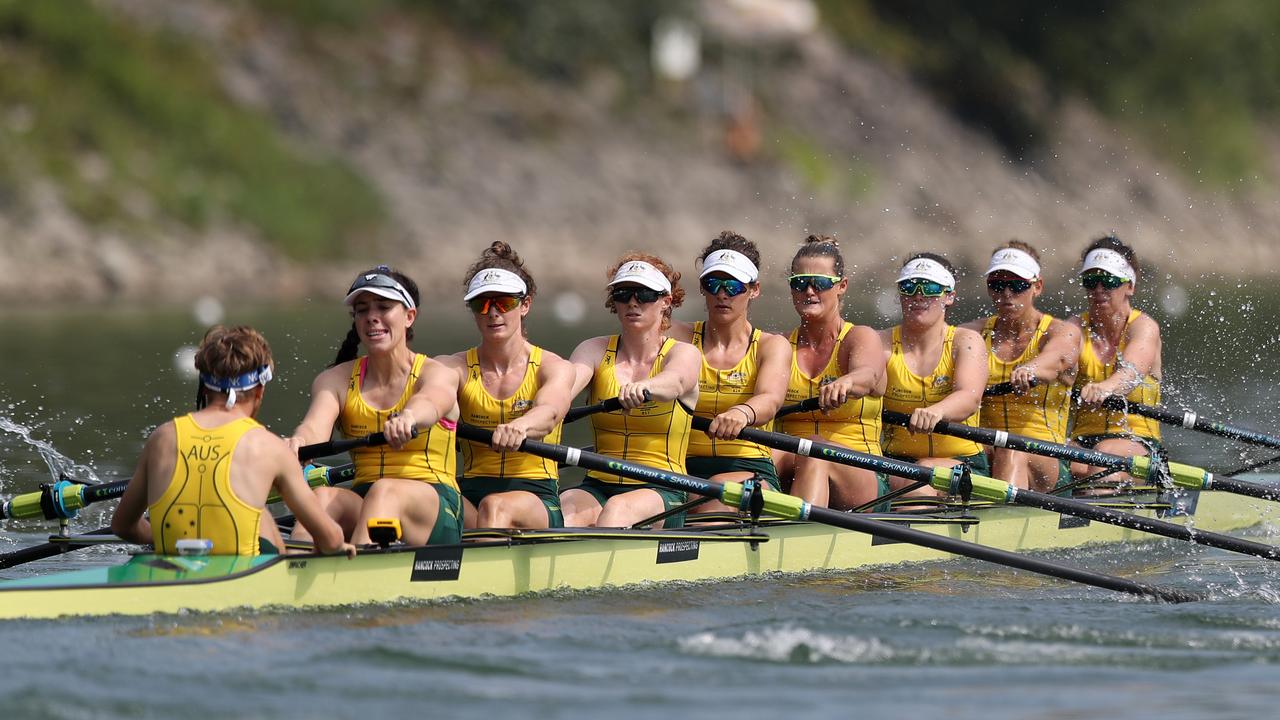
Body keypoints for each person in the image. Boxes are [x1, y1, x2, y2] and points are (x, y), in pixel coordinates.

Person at [112, 325, 354, 557]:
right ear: (259, 390)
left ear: (204, 389)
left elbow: (123, 526)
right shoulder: (269, 447)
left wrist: (163, 536)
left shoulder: (162, 437)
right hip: (244, 577)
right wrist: (337, 546)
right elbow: (331, 539)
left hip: (172, 565)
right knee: (260, 516)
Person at [288, 266, 463, 546]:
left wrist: (408, 418)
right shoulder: (335, 379)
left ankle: (354, 577)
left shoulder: (438, 373)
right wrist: (299, 442)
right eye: (362, 310)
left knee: (385, 492)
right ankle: (293, 570)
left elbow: (430, 402)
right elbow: (314, 428)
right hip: (366, 499)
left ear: (409, 316)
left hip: (433, 505)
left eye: (383, 307)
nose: (372, 318)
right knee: (319, 498)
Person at [561, 254, 700, 528]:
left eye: (644, 294)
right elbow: (564, 387)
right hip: (598, 484)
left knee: (617, 510)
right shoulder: (594, 350)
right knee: (562, 511)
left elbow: (676, 381)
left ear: (666, 302)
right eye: (623, 293)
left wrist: (645, 386)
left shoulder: (684, 353)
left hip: (664, 488)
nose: (633, 302)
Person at [442, 242, 574, 529]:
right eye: (482, 303)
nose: (492, 312)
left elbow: (550, 412)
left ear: (525, 305)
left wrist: (521, 427)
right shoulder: (452, 367)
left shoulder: (554, 367)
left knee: (495, 506)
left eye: (504, 302)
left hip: (536, 495)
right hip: (470, 490)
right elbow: (428, 391)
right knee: (423, 494)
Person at [669, 231, 790, 513]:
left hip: (746, 466)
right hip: (678, 463)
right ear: (702, 288)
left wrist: (742, 413)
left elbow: (770, 399)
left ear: (754, 289)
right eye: (713, 284)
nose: (722, 294)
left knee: (714, 492)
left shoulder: (771, 346)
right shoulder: (677, 336)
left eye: (733, 286)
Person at [774, 235, 886, 509]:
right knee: (757, 458)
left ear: (841, 286)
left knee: (814, 449)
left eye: (820, 283)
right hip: (794, 462)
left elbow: (868, 375)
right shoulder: (777, 345)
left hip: (861, 473)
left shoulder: (860, 338)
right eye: (800, 283)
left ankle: (799, 538)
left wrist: (846, 382)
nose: (809, 292)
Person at [960, 242, 1080, 493]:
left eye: (1016, 285)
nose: (1006, 293)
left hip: (1045, 457)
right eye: (997, 284)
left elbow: (1057, 359)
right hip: (985, 450)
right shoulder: (971, 333)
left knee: (1012, 450)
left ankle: (999, 523)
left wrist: (1031, 369)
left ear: (1037, 287)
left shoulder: (1060, 332)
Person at [880, 253, 989, 498]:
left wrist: (937, 411)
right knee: (916, 476)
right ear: (900, 295)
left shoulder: (966, 341)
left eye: (929, 288)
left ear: (949, 296)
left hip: (962, 461)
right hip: (897, 461)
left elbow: (969, 397)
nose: (918, 295)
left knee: (923, 474)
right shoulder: (881, 343)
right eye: (909, 287)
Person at [1068, 235, 1163, 485]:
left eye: (1108, 281)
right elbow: (1056, 360)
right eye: (1091, 281)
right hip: (1082, 440)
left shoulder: (1144, 327)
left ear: (1129, 286)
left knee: (1103, 457)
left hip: (1137, 441)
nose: (1099, 289)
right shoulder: (1073, 328)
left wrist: (1106, 387)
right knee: (1060, 466)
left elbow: (1131, 372)